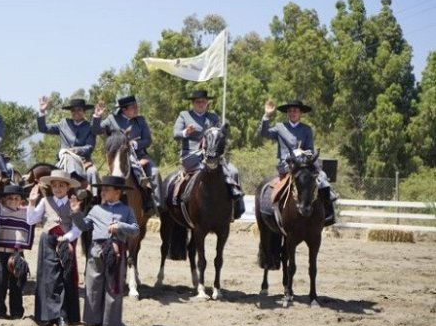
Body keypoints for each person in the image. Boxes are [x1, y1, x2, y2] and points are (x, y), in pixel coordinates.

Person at [70, 175, 139, 326]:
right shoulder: (95, 209)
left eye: (106, 190)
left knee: (113, 286)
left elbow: (135, 230)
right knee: (93, 284)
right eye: (102, 190)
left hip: (116, 251)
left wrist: (120, 226)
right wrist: (76, 213)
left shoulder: (127, 210)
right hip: (96, 250)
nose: (102, 192)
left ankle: (110, 323)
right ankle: (92, 320)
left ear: (118, 192)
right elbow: (84, 226)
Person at [259, 99, 337, 226]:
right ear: (287, 113)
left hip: (304, 162)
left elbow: (311, 150)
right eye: (290, 111)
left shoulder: (307, 129)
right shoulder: (280, 127)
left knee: (322, 177)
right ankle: (270, 211)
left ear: (300, 113)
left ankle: (329, 211)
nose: (292, 113)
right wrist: (267, 115)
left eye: (295, 110)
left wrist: (303, 153)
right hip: (287, 163)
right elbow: (264, 133)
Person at [173, 89, 245, 219]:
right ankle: (183, 198)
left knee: (233, 171)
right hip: (191, 155)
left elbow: (220, 136)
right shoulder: (184, 115)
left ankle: (237, 205)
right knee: (206, 170)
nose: (201, 104)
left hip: (212, 156)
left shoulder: (213, 117)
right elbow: (176, 134)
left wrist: (223, 134)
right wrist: (185, 132)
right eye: (198, 102)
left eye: (204, 102)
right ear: (193, 103)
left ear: (207, 103)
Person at [0, 173, 42, 319]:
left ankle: (16, 312)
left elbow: (35, 217)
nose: (14, 201)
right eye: (10, 198)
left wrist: (33, 202)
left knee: (17, 284)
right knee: (0, 283)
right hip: (1, 252)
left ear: (21, 200)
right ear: (4, 199)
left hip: (17, 253)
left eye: (17, 198)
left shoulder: (25, 213)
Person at [29, 169, 82, 326]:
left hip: (65, 242)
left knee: (64, 279)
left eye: (61, 186)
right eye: (54, 186)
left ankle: (62, 315)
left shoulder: (73, 203)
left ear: (67, 187)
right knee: (49, 278)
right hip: (48, 241)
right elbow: (31, 220)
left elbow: (77, 228)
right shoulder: (45, 201)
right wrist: (31, 203)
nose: (58, 189)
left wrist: (66, 239)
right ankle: (46, 316)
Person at [91, 95, 158, 214]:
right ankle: (98, 205)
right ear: (124, 109)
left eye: (136, 106)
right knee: (108, 179)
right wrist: (97, 116)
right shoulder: (112, 119)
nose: (136, 109)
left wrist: (135, 144)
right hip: (119, 158)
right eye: (133, 107)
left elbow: (148, 140)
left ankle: (155, 204)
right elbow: (95, 131)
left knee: (155, 173)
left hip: (140, 156)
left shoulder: (140, 120)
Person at [37, 97, 100, 194]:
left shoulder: (90, 127)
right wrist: (42, 111)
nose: (76, 112)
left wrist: (76, 150)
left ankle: (95, 199)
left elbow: (90, 147)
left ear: (84, 111)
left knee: (93, 172)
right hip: (63, 160)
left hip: (83, 161)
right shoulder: (63, 123)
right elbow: (43, 128)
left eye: (79, 110)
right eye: (73, 110)